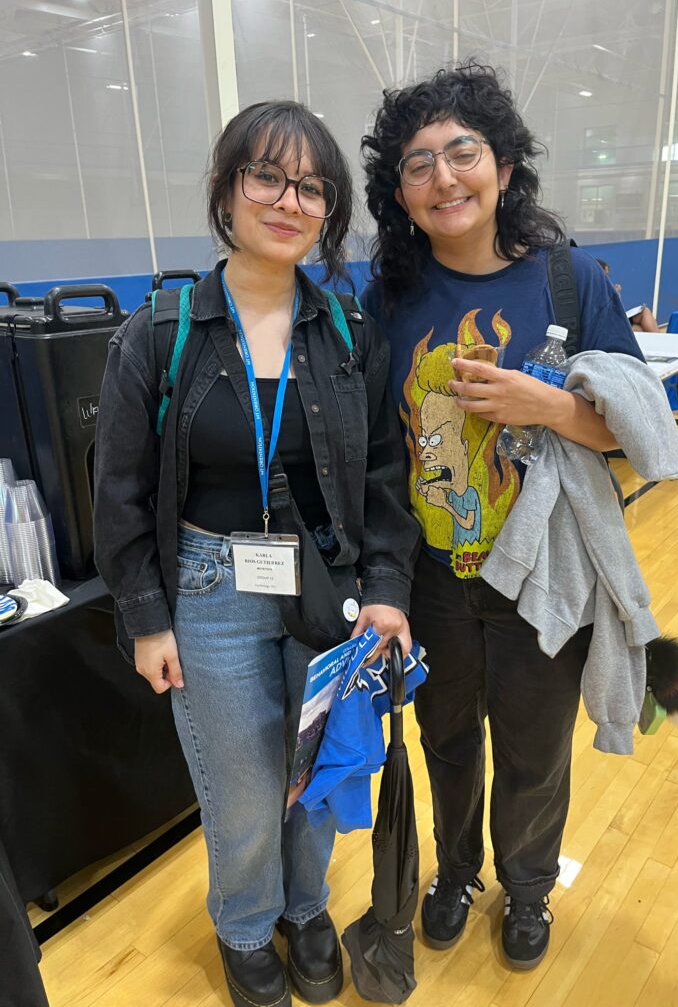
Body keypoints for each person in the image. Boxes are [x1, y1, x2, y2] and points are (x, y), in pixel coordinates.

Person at [94, 101, 420, 1007]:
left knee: (313, 770)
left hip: (327, 584)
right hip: (208, 592)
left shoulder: (349, 331)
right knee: (241, 789)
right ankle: (245, 923)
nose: (289, 201)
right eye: (267, 177)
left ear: (330, 210)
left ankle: (305, 908)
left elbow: (385, 473)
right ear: (227, 188)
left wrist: (387, 588)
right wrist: (145, 620)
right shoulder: (158, 334)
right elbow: (117, 492)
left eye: (312, 187)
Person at [361, 62, 645, 971]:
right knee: (445, 741)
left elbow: (633, 430)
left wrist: (548, 404)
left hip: (541, 572)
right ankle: (455, 873)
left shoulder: (569, 281)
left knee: (534, 749)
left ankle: (528, 887)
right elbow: (375, 448)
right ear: (399, 194)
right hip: (432, 578)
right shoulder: (388, 299)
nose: (443, 178)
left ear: (505, 167)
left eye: (463, 153)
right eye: (417, 165)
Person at [595, 258, 661, 331]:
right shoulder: (591, 289)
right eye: (605, 275)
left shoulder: (605, 287)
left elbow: (617, 309)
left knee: (645, 311)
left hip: (616, 320)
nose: (607, 278)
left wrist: (616, 294)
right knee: (639, 329)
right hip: (604, 324)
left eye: (608, 275)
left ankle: (659, 337)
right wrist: (613, 295)